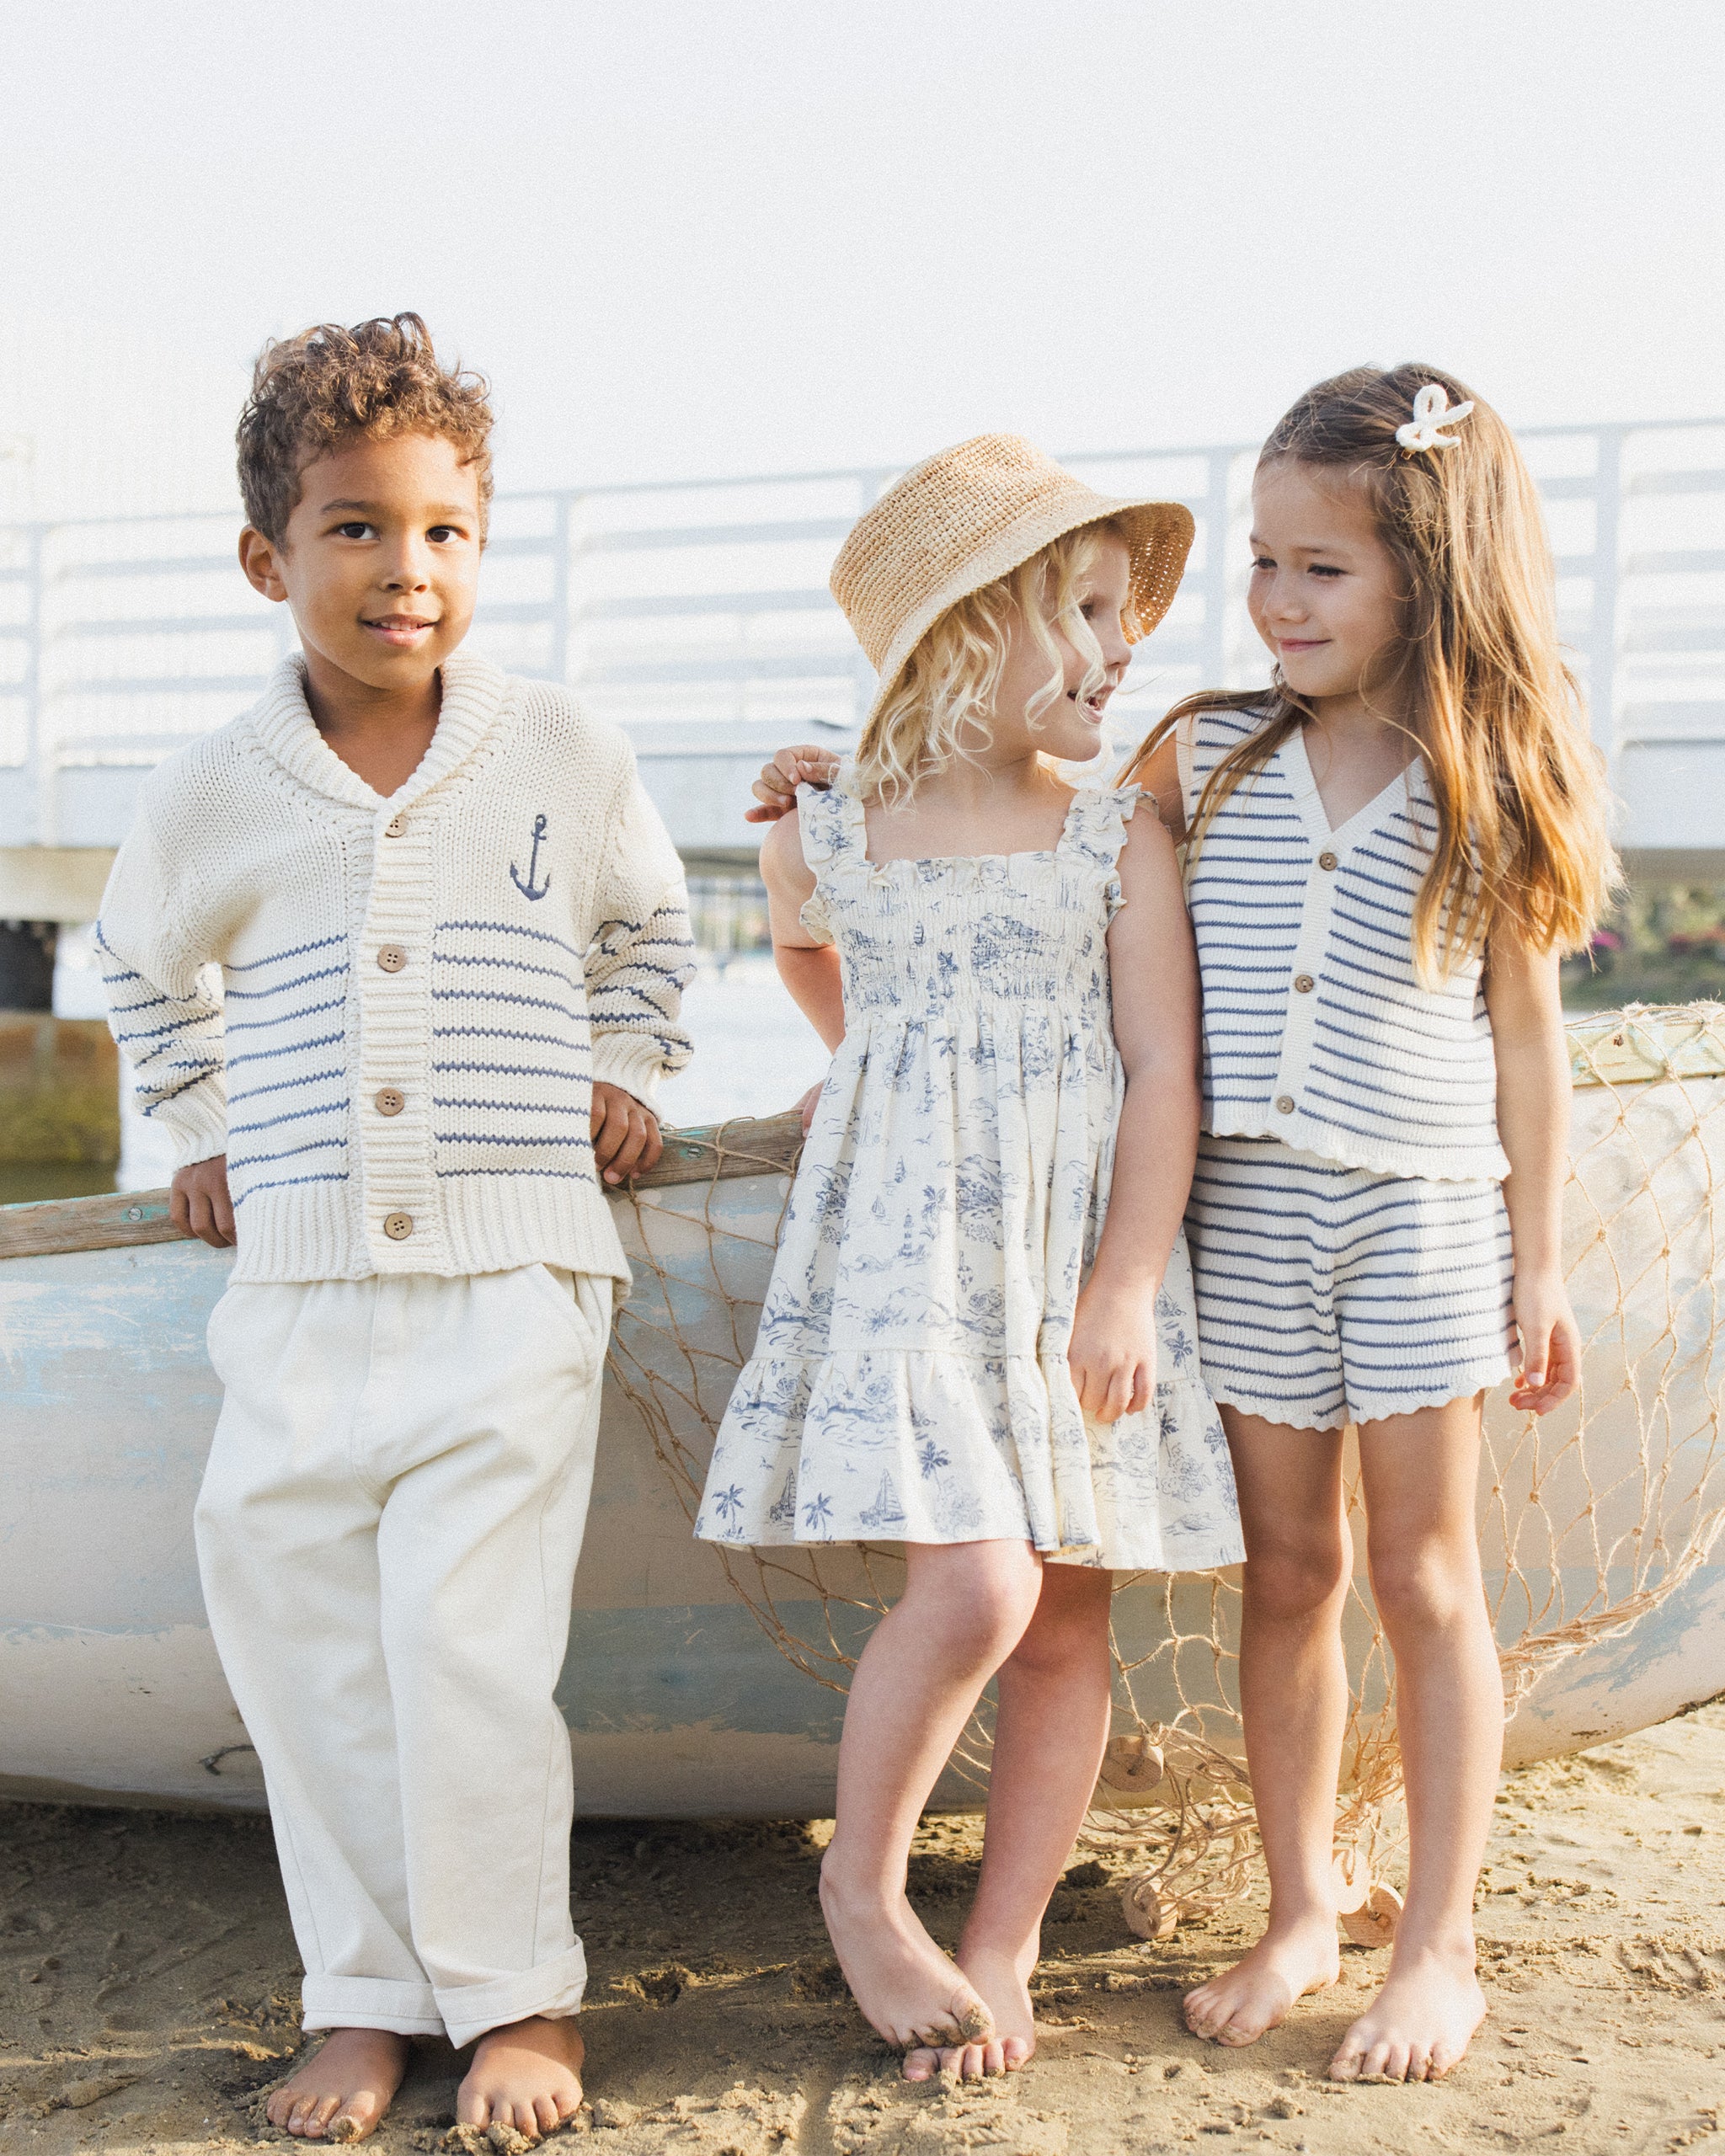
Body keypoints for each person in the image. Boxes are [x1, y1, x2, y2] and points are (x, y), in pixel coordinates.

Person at [745, 367, 1615, 2086]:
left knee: (1427, 1573)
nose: (1273, 598)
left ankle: (1436, 1943)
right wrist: (849, 824)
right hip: (1250, 1211)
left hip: (1427, 1218)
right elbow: (988, 834)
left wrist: (1540, 1256)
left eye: (1320, 568)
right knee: (1288, 1574)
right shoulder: (1204, 751)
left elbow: (1527, 1040)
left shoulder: (1490, 775)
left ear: (1430, 575)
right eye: (1264, 562)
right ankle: (1301, 1906)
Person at [96, 316, 693, 2144]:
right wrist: (204, 1126)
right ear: (267, 556)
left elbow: (649, 933)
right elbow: (138, 967)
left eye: (442, 530)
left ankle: (514, 1996)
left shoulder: (563, 751)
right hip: (293, 1287)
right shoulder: (216, 786)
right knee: (306, 1655)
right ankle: (362, 1995)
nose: (403, 567)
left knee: (467, 1657)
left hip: (515, 1278)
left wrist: (627, 1067)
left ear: (480, 545)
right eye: (354, 527)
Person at [696, 435, 1243, 2084]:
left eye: (1125, 615)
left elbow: (1163, 1070)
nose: (1120, 649)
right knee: (981, 1584)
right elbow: (815, 956)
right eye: (1085, 611)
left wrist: (1125, 1281)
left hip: (1072, 1261)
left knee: (1064, 1616)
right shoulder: (834, 828)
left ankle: (1002, 1938)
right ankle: (861, 1884)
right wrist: (873, 1067)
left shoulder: (1113, 837)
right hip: (913, 1260)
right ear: (968, 628)